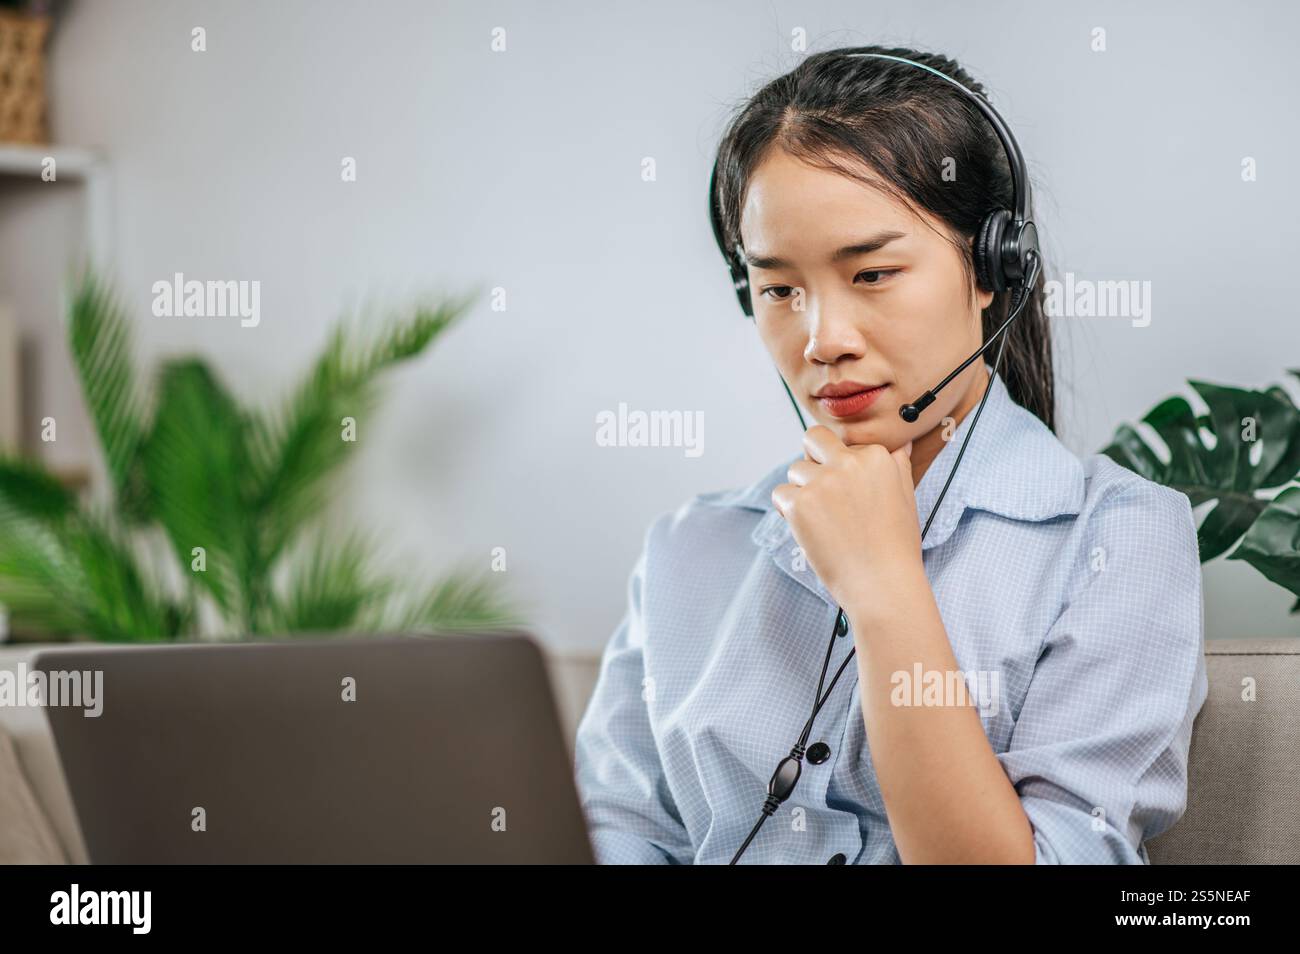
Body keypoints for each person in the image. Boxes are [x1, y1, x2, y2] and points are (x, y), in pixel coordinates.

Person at [573, 45, 1208, 864]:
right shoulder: (688, 551)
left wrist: (883, 589)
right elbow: (613, 834)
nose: (822, 340)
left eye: (871, 273)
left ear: (992, 269)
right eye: (777, 289)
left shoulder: (1117, 540)